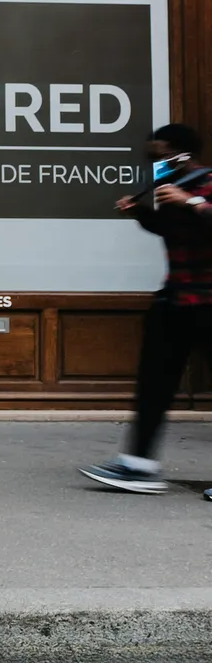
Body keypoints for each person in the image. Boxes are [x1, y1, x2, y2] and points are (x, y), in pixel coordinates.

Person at [81, 123, 212, 495]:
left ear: (182, 152)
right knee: (153, 385)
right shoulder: (170, 189)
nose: (156, 161)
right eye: (152, 155)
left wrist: (191, 202)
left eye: (161, 154)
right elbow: (174, 232)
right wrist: (140, 212)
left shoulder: (204, 184)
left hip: (208, 303)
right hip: (175, 301)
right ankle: (138, 466)